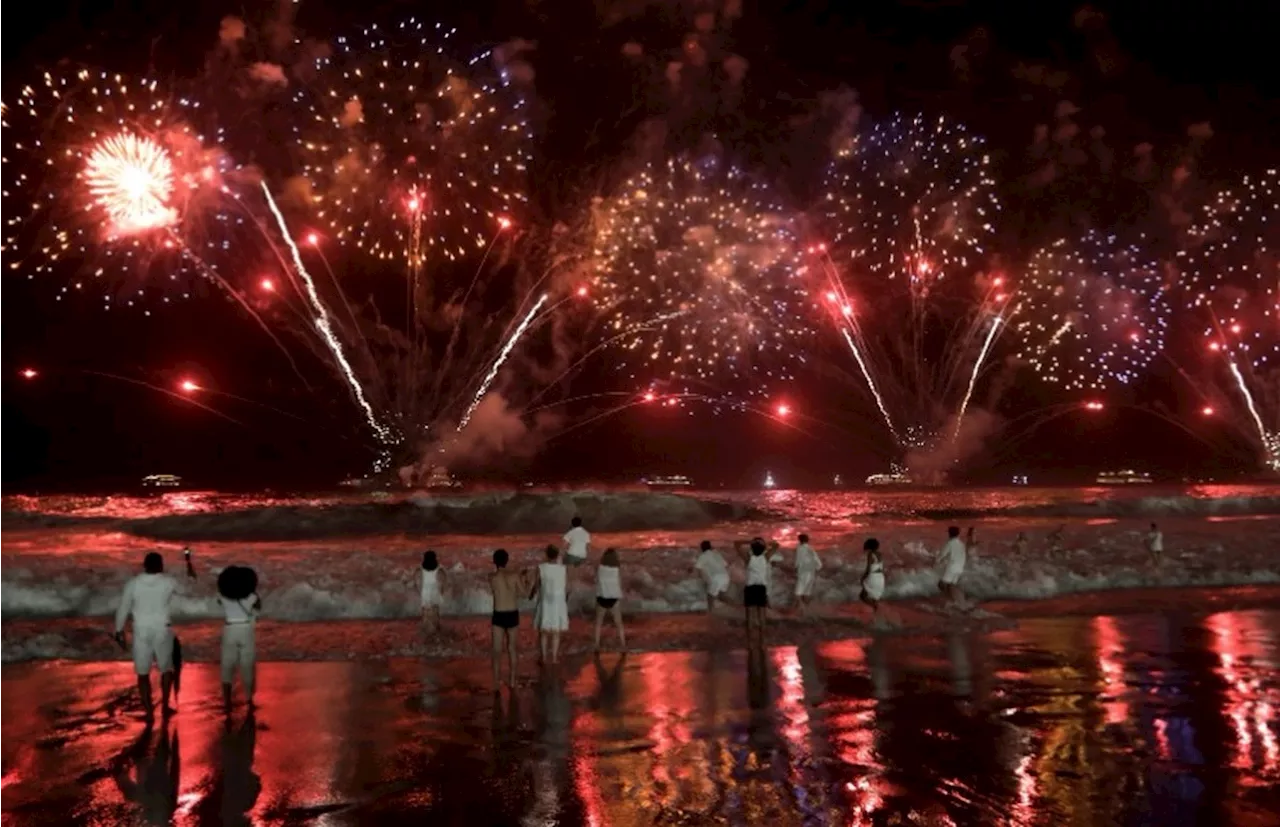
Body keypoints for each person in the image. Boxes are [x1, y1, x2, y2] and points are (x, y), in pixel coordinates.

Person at [114, 552, 181, 720]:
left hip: (141, 630)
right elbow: (189, 589)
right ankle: (165, 706)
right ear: (161, 565)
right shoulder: (169, 581)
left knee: (142, 673)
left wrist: (119, 629)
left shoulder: (133, 583)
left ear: (144, 565)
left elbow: (123, 608)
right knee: (166, 669)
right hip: (162, 629)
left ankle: (149, 712)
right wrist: (190, 569)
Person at [217, 565, 260, 716]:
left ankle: (227, 703)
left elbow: (219, 600)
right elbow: (258, 606)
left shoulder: (223, 598)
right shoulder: (251, 597)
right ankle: (249, 700)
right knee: (247, 667)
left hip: (230, 629)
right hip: (246, 630)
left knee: (227, 667)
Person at [489, 549, 524, 689]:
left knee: (497, 650)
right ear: (507, 560)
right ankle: (513, 680)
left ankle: (496, 683)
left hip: (498, 614)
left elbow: (495, 591)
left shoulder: (491, 577)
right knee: (512, 649)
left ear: (494, 561)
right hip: (512, 613)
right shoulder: (514, 575)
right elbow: (523, 593)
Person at [736, 537, 777, 648]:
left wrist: (749, 541)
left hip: (750, 588)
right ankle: (762, 639)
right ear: (763, 549)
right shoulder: (765, 558)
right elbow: (776, 545)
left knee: (750, 615)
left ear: (752, 549)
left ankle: (751, 640)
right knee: (762, 615)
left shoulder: (748, 559)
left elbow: (736, 544)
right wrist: (764, 542)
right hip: (761, 588)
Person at [535, 544, 570, 663]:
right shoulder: (563, 568)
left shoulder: (541, 567)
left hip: (545, 601)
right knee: (556, 632)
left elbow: (537, 585)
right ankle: (554, 658)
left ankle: (543, 658)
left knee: (544, 632)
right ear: (557, 555)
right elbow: (566, 587)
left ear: (546, 554)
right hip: (558, 602)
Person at [593, 548, 626, 652]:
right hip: (613, 597)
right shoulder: (617, 569)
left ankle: (596, 645)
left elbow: (596, 579)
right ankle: (623, 645)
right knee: (619, 623)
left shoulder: (599, 568)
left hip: (601, 597)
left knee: (598, 623)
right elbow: (619, 583)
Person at [694, 540, 730, 614]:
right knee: (722, 596)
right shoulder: (717, 554)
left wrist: (699, 578)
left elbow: (698, 568)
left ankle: (710, 611)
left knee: (710, 595)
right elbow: (726, 565)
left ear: (702, 548)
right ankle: (735, 606)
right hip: (725, 576)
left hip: (716, 578)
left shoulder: (703, 556)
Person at [793, 533, 823, 618]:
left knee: (798, 594)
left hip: (803, 574)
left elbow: (797, 561)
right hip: (811, 574)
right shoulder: (810, 549)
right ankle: (807, 611)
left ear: (799, 540)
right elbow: (819, 564)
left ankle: (802, 610)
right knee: (806, 593)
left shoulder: (800, 548)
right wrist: (814, 568)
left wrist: (796, 568)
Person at [936, 526, 967, 605]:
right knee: (951, 585)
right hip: (959, 568)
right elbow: (963, 556)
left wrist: (936, 561)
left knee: (941, 584)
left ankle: (951, 600)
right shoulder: (961, 544)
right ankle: (956, 600)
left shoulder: (950, 543)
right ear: (958, 534)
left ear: (949, 533)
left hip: (952, 568)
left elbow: (942, 554)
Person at [860, 538, 885, 621]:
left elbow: (868, 569)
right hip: (881, 577)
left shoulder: (870, 555)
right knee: (874, 597)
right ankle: (877, 615)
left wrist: (863, 578)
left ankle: (876, 608)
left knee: (863, 596)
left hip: (873, 577)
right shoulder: (880, 554)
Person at [419, 550, 444, 634]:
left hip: (425, 592)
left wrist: (418, 590)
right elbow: (443, 581)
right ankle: (436, 629)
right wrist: (442, 592)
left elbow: (416, 580)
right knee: (436, 612)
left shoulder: (421, 568)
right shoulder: (439, 568)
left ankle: (425, 629)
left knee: (425, 612)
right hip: (435, 591)